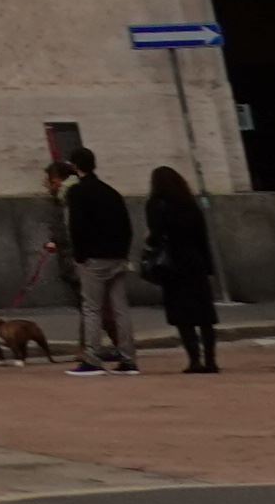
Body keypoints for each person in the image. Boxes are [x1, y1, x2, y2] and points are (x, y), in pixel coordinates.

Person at [59, 147, 140, 372]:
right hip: (117, 255)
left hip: (93, 257)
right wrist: (123, 251)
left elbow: (77, 226)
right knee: (120, 308)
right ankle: (128, 358)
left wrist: (80, 255)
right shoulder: (111, 191)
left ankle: (92, 358)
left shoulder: (77, 192)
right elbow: (126, 225)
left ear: (76, 167)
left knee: (92, 308)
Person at [144, 166, 222, 373]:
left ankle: (194, 359)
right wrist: (208, 266)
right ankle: (211, 360)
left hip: (173, 264)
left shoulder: (156, 204)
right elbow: (202, 236)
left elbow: (155, 235)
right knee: (204, 314)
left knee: (183, 315)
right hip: (194, 261)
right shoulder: (189, 203)